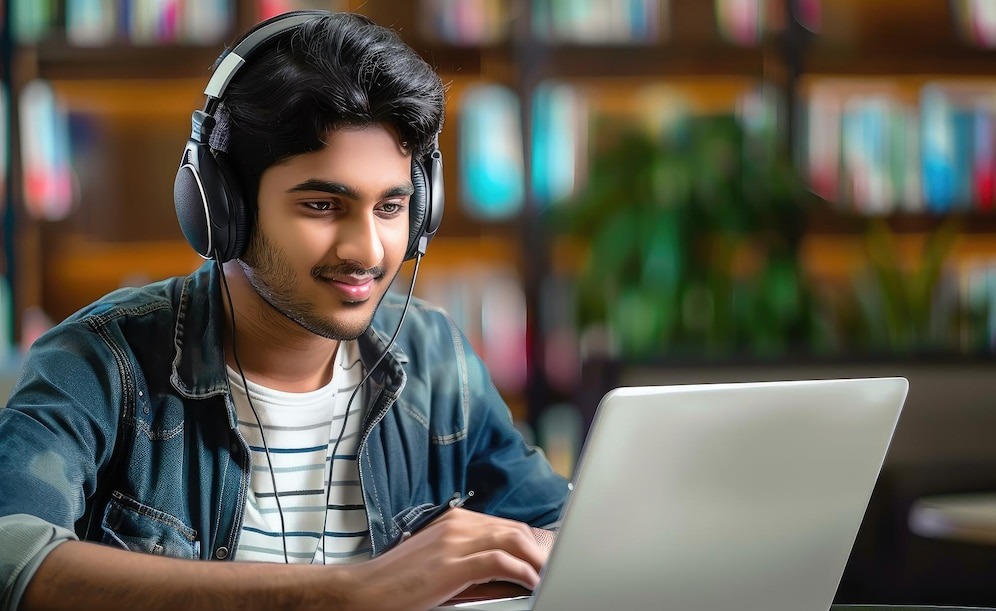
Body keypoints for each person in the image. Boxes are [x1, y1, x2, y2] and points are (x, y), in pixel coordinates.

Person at [0, 10, 569, 611]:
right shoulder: (100, 361)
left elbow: (563, 530)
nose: (368, 252)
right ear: (222, 208)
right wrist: (356, 590)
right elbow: (12, 553)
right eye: (323, 205)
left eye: (391, 207)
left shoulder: (433, 354)